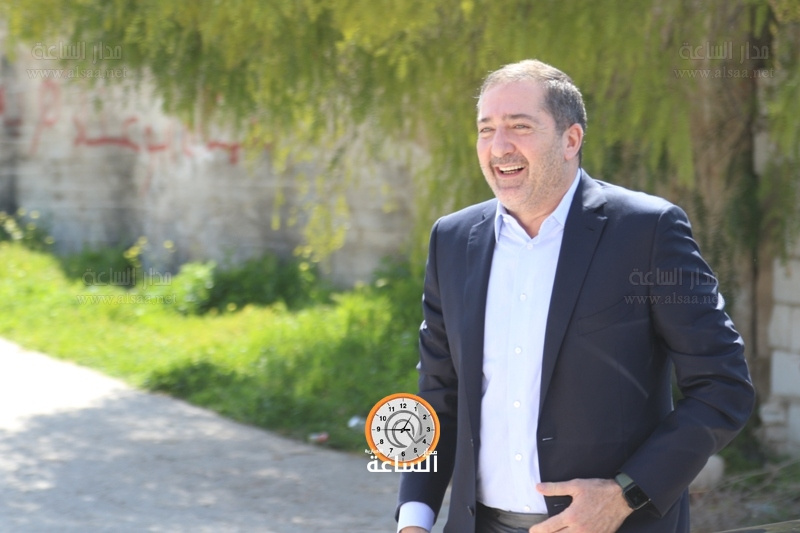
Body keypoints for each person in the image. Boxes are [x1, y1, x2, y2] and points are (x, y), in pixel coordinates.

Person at [395, 59, 755, 533]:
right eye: (486, 129)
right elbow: (436, 396)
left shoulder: (646, 232)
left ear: (571, 140)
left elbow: (723, 386)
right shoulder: (452, 239)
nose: (499, 146)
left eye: (520, 126)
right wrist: (414, 518)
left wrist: (626, 495)